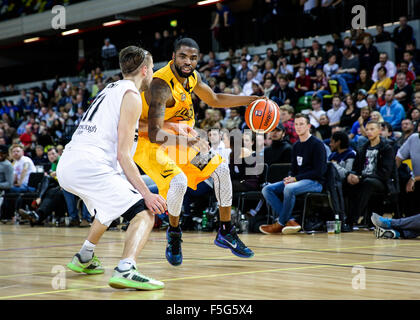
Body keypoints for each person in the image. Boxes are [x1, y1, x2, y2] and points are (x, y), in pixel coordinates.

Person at [134, 38, 258, 267]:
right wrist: (188, 142)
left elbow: (216, 99)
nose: (188, 61)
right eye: (183, 56)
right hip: (147, 142)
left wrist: (253, 100)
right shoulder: (161, 85)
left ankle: (225, 230)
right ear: (173, 57)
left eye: (193, 58)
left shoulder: (192, 77)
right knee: (178, 183)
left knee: (220, 168)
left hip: (180, 139)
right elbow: (154, 134)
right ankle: (173, 233)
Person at [57, 46, 166, 290]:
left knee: (109, 207)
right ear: (145, 70)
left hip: (69, 164)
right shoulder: (132, 96)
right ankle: (126, 269)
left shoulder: (110, 89)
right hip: (90, 164)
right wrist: (146, 195)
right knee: (144, 212)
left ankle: (84, 257)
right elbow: (124, 155)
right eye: (153, 70)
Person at [259, 113, 327, 234]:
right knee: (266, 189)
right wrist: (290, 177)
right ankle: (290, 221)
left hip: (315, 182)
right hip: (299, 181)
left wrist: (295, 179)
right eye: (296, 124)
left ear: (308, 126)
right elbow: (294, 169)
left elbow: (319, 172)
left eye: (301, 124)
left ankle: (279, 223)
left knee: (289, 188)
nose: (298, 127)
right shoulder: (296, 146)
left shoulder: (317, 144)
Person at [345, 121, 394, 230]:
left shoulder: (386, 148)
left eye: (372, 129)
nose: (369, 132)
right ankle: (341, 217)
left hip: (381, 182)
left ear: (379, 131)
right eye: (367, 129)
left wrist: (361, 177)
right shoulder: (362, 148)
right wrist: (351, 175)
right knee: (346, 182)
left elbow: (385, 173)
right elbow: (355, 169)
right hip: (363, 179)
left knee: (367, 183)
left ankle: (351, 221)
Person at [396, 124, 420, 216]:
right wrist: (392, 176)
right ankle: (400, 216)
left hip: (416, 179)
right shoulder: (414, 138)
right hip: (414, 178)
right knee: (400, 179)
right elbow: (398, 158)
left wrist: (414, 179)